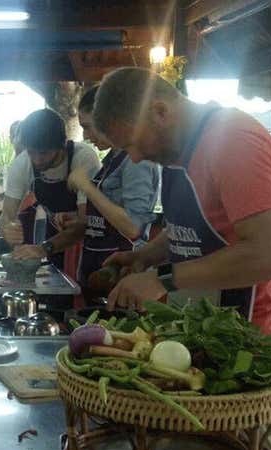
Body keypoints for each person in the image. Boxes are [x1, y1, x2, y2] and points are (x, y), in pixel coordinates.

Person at [91, 67, 271, 357]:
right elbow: (193, 225)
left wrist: (160, 279)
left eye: (133, 144)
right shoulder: (178, 150)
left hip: (257, 336)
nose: (136, 157)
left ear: (161, 111)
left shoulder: (234, 141)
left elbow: (270, 257)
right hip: (208, 328)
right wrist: (145, 255)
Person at [12, 86, 160, 296]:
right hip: (97, 270)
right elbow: (107, 218)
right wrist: (76, 218)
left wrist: (87, 187)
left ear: (112, 119)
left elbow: (133, 228)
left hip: (122, 276)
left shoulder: (137, 162)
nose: (87, 136)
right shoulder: (112, 160)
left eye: (90, 127)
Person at [0, 108, 102, 270]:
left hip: (88, 243)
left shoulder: (83, 158)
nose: (37, 160)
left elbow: (84, 223)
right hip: (53, 238)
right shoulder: (22, 163)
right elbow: (6, 216)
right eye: (32, 152)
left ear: (62, 144)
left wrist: (43, 248)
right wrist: (8, 229)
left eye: (44, 153)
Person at [0, 120, 24, 205]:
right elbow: (14, 190)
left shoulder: (30, 160)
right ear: (10, 139)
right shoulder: (17, 161)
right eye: (15, 135)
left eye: (20, 134)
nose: (18, 138)